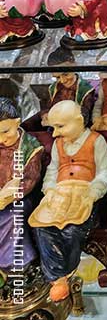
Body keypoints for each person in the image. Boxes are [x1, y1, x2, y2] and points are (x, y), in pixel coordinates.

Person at [29, 100, 107, 302]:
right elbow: (52, 170)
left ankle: (63, 273)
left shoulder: (95, 140)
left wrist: (94, 191)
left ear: (79, 121)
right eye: (53, 127)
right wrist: (49, 190)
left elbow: (105, 171)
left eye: (60, 127)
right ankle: (57, 277)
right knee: (41, 227)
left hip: (85, 195)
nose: (55, 134)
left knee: (72, 230)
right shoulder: (58, 144)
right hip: (60, 194)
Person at [0, 98, 43, 282]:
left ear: (17, 123)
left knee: (12, 217)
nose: (1, 139)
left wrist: (10, 195)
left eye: (5, 132)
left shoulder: (29, 147)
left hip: (21, 198)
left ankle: (13, 264)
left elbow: (29, 180)